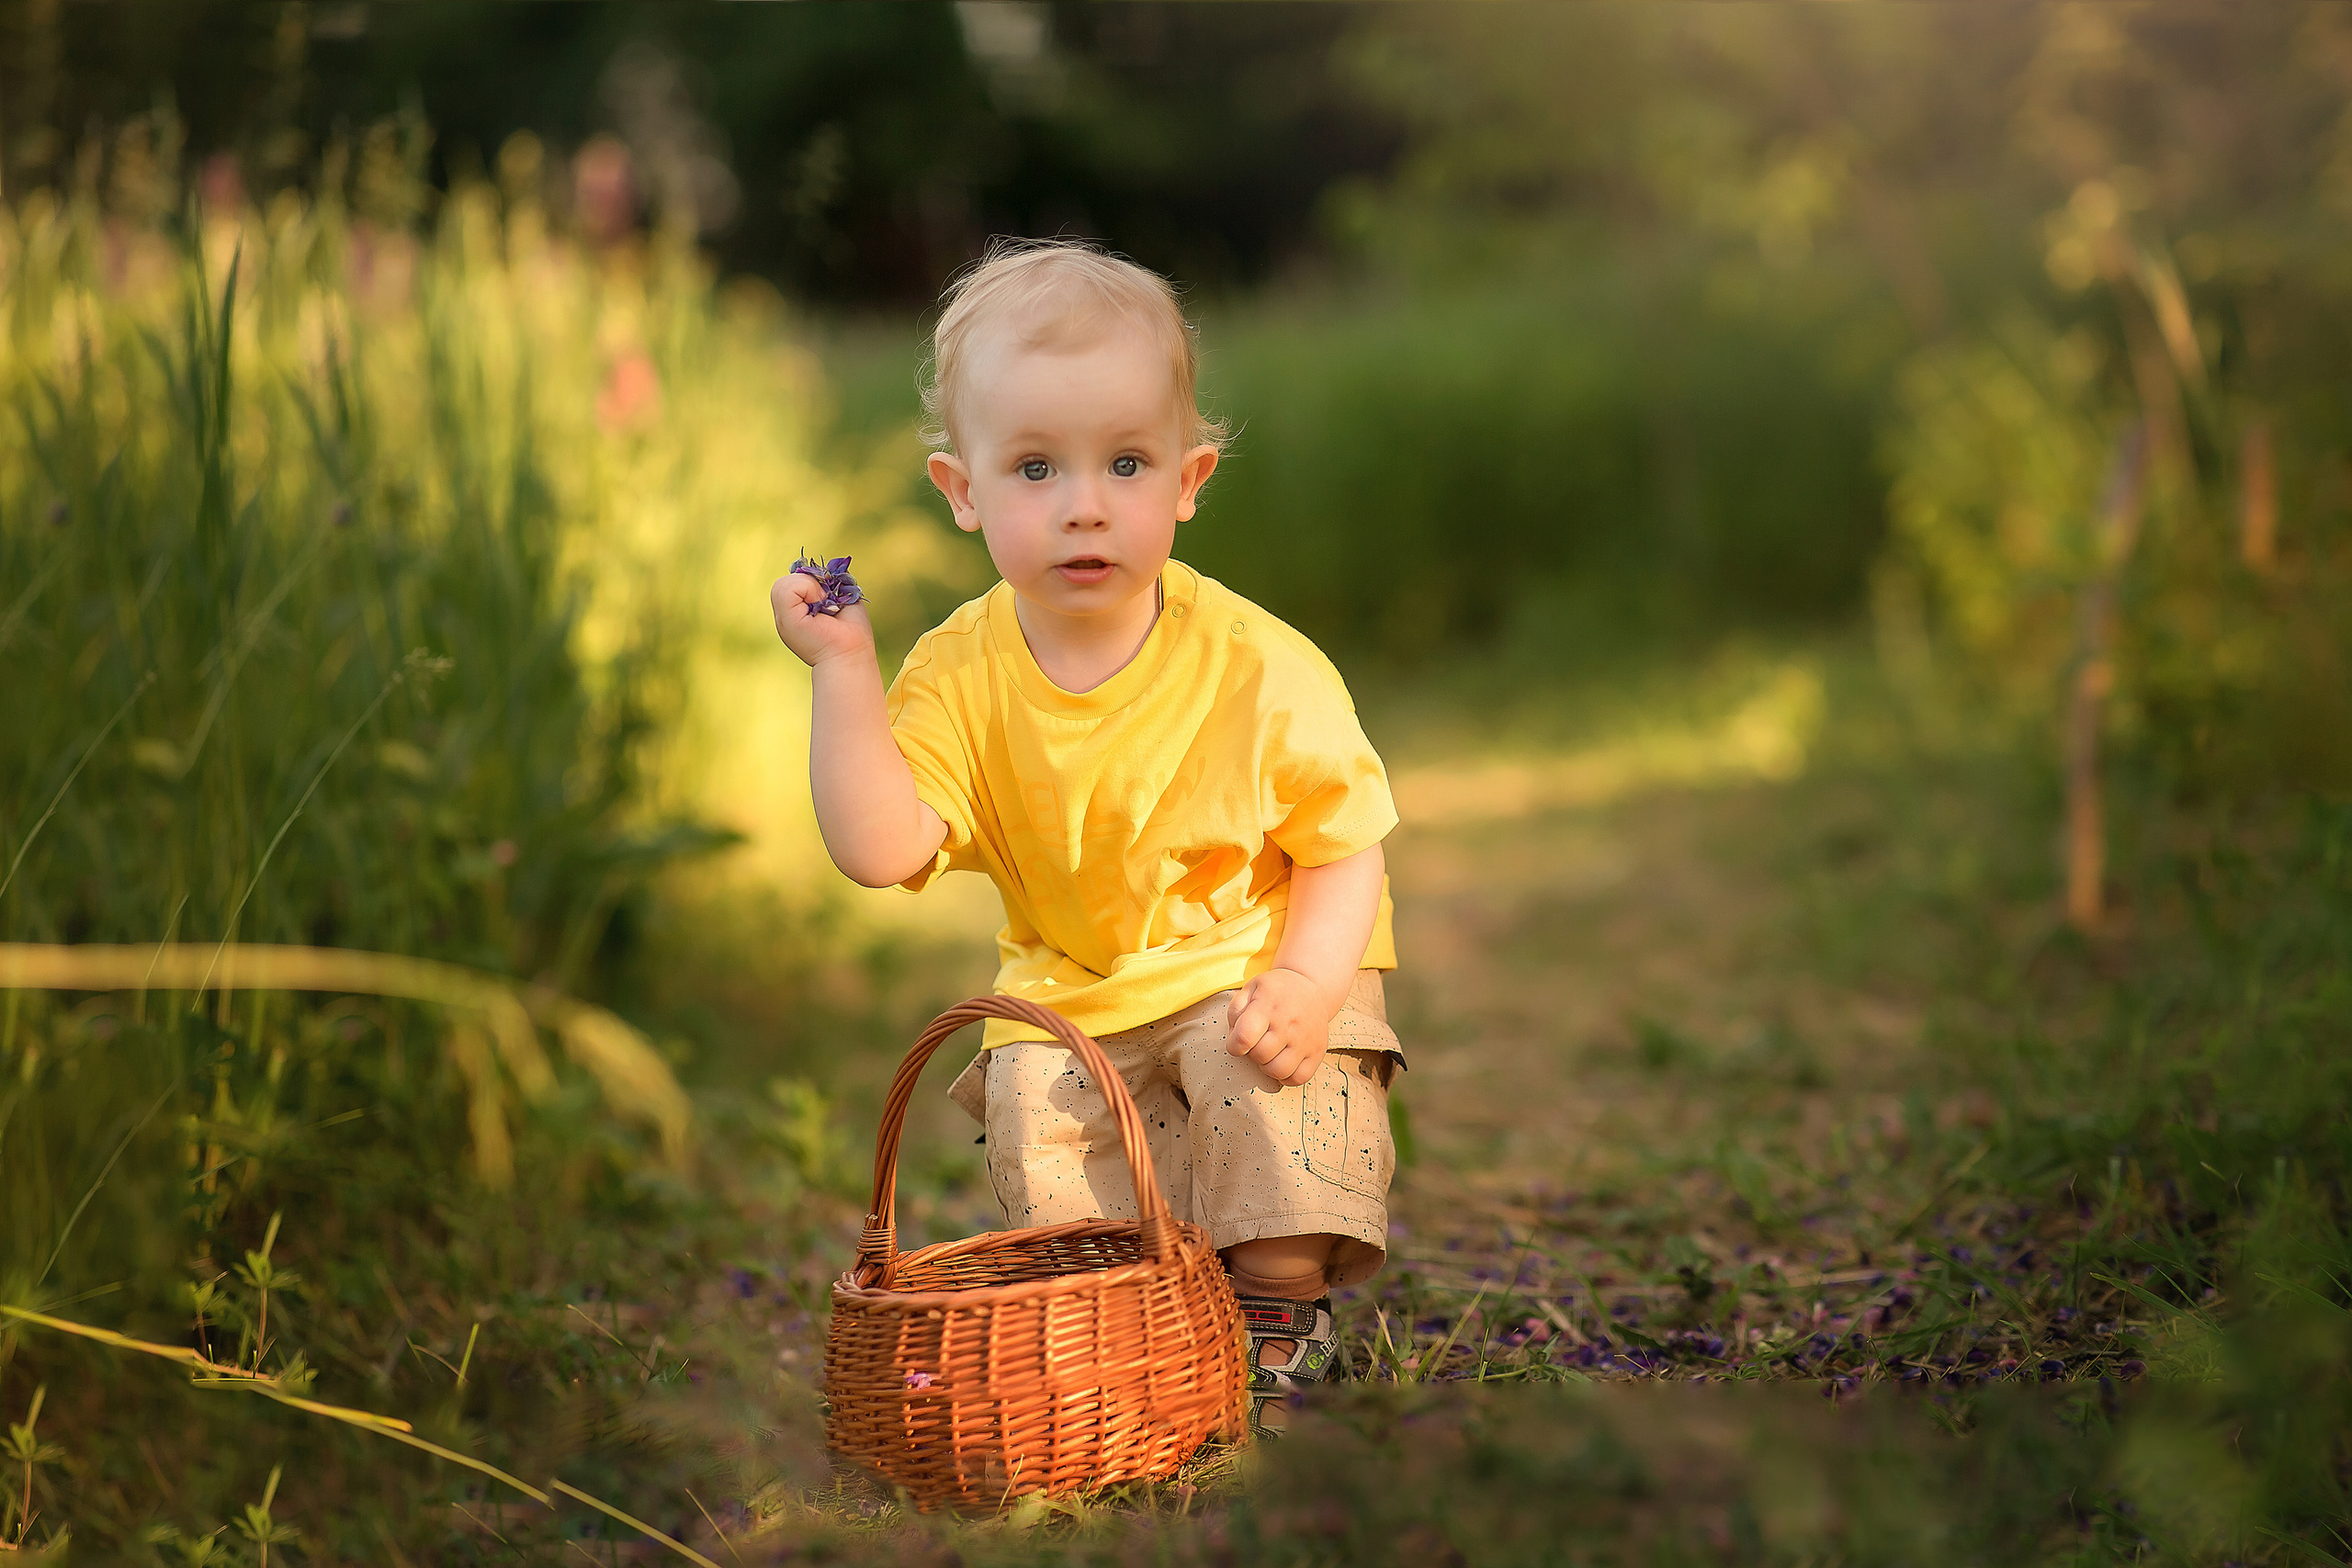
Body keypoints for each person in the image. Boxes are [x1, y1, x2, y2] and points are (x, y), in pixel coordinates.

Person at [769, 239, 1401, 1438]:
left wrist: (1313, 982)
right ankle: (1129, 1335)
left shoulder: (1258, 664)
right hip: (1071, 994)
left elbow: (1343, 838)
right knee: (1039, 1114)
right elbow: (882, 844)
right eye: (1035, 468)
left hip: (1247, 966)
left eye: (1124, 462)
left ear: (1187, 479)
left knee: (1258, 1085)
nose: (1085, 504)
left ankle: (1276, 1323)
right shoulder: (957, 673)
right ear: (962, 493)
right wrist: (842, 671)